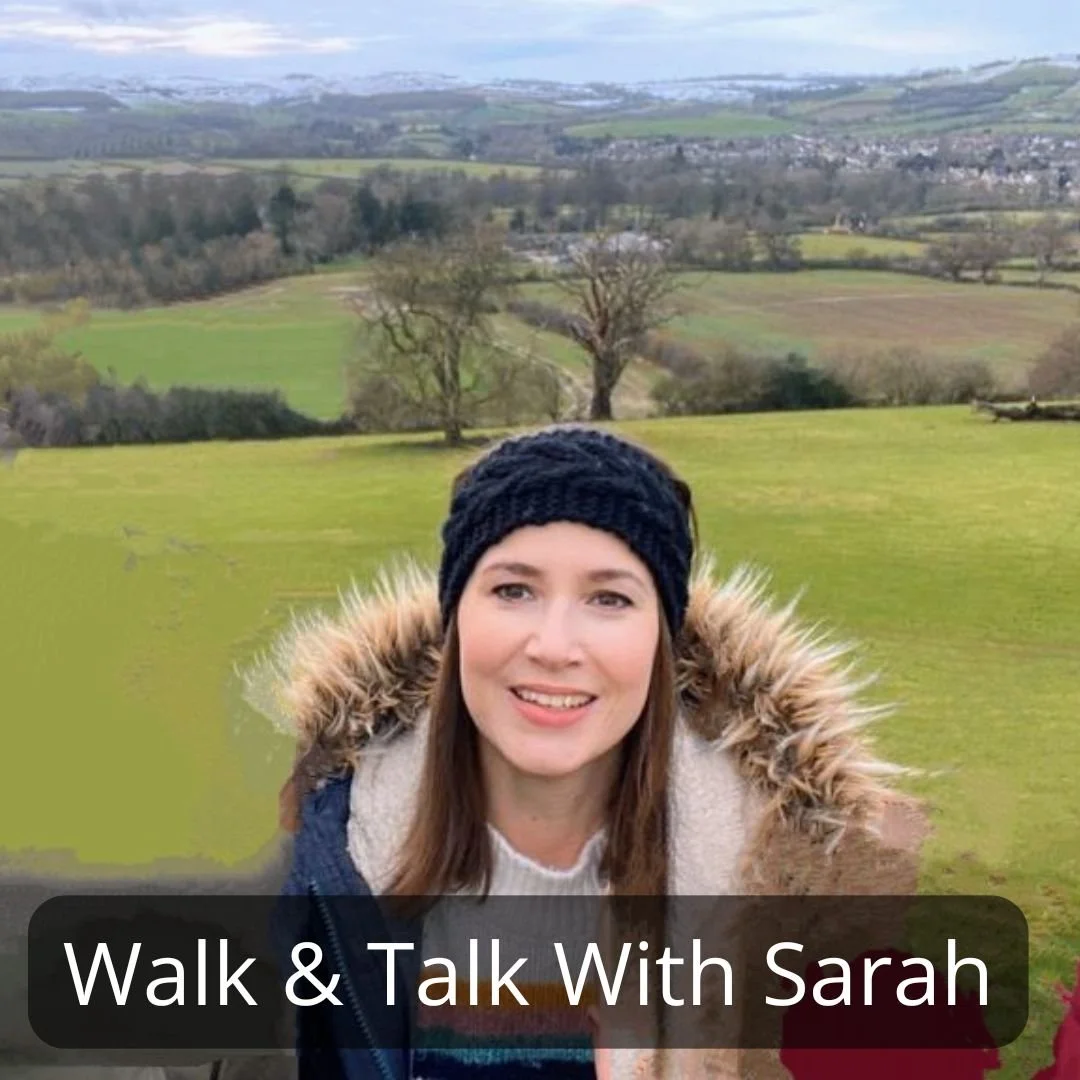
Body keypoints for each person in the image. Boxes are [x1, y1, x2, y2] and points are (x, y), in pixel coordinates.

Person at [253, 422, 929, 1080]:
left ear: (662, 640)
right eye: (513, 589)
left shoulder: (795, 897)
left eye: (609, 598)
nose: (553, 644)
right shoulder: (321, 863)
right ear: (456, 616)